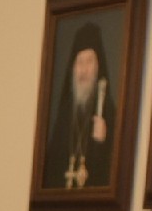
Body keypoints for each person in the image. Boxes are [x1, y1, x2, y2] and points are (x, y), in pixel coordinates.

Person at [45, 22, 113, 190]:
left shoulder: (109, 114)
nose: (83, 70)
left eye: (89, 61)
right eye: (79, 62)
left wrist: (102, 143)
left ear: (98, 67)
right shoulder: (64, 116)